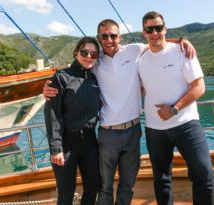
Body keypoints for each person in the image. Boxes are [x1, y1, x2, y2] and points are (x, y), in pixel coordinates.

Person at [44, 19, 196, 205]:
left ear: (119, 37)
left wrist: (181, 40)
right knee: (104, 187)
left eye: (113, 35)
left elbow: (156, 40)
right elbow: (70, 83)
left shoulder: (132, 51)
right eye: (104, 36)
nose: (109, 40)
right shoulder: (95, 63)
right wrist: (49, 86)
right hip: (107, 133)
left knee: (125, 185)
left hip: (132, 130)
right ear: (99, 38)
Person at [138, 11, 214, 205]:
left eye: (158, 28)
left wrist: (173, 109)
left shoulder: (182, 51)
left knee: (203, 173)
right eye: (149, 29)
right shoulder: (140, 57)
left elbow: (199, 87)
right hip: (155, 129)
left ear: (165, 28)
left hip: (186, 123)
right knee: (161, 179)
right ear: (144, 32)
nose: (154, 33)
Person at [44, 37, 101, 205]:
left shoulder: (95, 79)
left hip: (90, 142)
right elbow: (52, 113)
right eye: (84, 52)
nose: (89, 56)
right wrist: (56, 148)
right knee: (66, 193)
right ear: (76, 53)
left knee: (93, 187)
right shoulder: (61, 78)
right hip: (66, 143)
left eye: (94, 53)